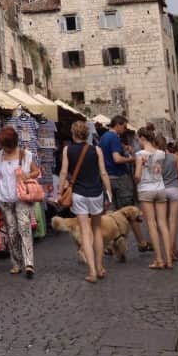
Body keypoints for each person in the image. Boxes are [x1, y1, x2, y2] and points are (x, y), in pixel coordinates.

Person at [59, 120, 113, 283]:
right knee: (96, 230)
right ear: (87, 134)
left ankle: (92, 272)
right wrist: (109, 192)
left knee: (85, 232)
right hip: (96, 193)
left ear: (73, 134)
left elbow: (63, 172)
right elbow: (103, 173)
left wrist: (60, 191)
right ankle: (100, 267)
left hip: (79, 195)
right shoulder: (96, 150)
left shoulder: (67, 150)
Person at [0, 126, 41, 278]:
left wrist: (25, 175)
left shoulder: (25, 155)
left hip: (21, 198)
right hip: (5, 199)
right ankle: (16, 262)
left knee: (24, 228)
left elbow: (36, 171)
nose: (4, 148)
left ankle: (29, 264)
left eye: (6, 145)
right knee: (12, 231)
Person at [99, 115, 152, 252]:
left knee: (111, 213)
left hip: (107, 179)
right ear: (118, 125)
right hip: (120, 177)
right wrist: (132, 159)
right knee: (130, 211)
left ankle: (109, 245)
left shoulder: (103, 138)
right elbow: (116, 159)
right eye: (124, 126)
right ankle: (141, 242)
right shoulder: (115, 137)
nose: (124, 129)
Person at [135, 127, 172, 269]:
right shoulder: (161, 153)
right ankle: (168, 259)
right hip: (160, 188)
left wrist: (136, 179)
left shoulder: (140, 154)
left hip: (146, 190)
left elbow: (138, 175)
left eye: (138, 139)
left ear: (143, 138)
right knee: (163, 223)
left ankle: (159, 260)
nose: (138, 141)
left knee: (151, 224)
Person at [158, 136, 178, 262]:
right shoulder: (174, 157)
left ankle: (170, 250)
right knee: (173, 222)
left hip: (160, 190)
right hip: (174, 189)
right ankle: (172, 249)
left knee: (163, 222)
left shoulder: (154, 159)